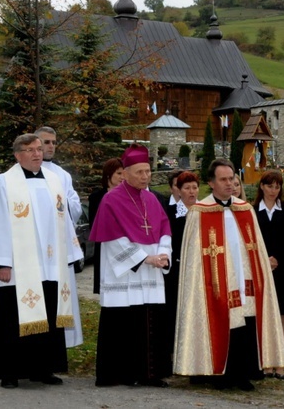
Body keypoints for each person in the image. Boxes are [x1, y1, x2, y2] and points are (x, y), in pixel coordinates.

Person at [174, 158, 284, 391]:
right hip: (213, 281)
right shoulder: (199, 212)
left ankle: (242, 373)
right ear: (211, 183)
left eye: (232, 179)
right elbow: (193, 259)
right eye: (223, 179)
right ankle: (217, 373)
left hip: (243, 278)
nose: (229, 183)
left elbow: (256, 247)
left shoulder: (245, 209)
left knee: (244, 322)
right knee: (220, 321)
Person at [0, 133, 83, 389]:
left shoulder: (54, 180)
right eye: (30, 150)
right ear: (17, 155)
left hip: (50, 264)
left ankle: (43, 368)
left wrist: (68, 256)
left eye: (39, 148)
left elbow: (64, 220)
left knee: (48, 314)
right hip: (18, 266)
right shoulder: (5, 182)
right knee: (12, 318)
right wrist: (2, 263)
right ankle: (10, 371)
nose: (37, 153)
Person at [89, 144, 172, 388]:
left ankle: (148, 374)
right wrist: (145, 258)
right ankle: (116, 374)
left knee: (148, 321)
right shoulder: (110, 200)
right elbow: (113, 239)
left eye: (148, 171)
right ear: (125, 173)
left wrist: (163, 254)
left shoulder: (152, 199)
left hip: (151, 269)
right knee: (121, 322)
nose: (146, 177)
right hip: (125, 273)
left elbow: (165, 228)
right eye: (140, 172)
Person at [35, 126, 84, 349]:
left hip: (58, 248)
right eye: (46, 142)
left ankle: (56, 349)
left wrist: (60, 202)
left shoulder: (62, 175)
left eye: (54, 142)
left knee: (57, 300)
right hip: (35, 250)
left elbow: (75, 205)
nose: (51, 146)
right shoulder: (18, 174)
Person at [253, 170, 284, 380]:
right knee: (261, 315)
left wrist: (277, 258)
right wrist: (264, 259)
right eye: (270, 186)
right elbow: (251, 239)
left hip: (283, 268)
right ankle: (264, 360)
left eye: (277, 187)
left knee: (281, 315)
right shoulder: (252, 211)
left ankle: (279, 361)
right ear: (261, 186)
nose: (273, 190)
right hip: (259, 268)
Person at [164, 171, 200, 369]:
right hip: (176, 271)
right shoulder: (170, 213)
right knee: (174, 313)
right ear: (179, 190)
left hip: (199, 271)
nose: (191, 192)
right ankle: (172, 357)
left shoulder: (205, 211)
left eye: (194, 187)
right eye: (187, 188)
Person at [89, 157, 124, 295]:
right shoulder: (97, 197)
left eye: (124, 173)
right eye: (119, 173)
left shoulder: (128, 196)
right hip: (105, 246)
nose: (122, 177)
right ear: (109, 174)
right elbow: (94, 224)